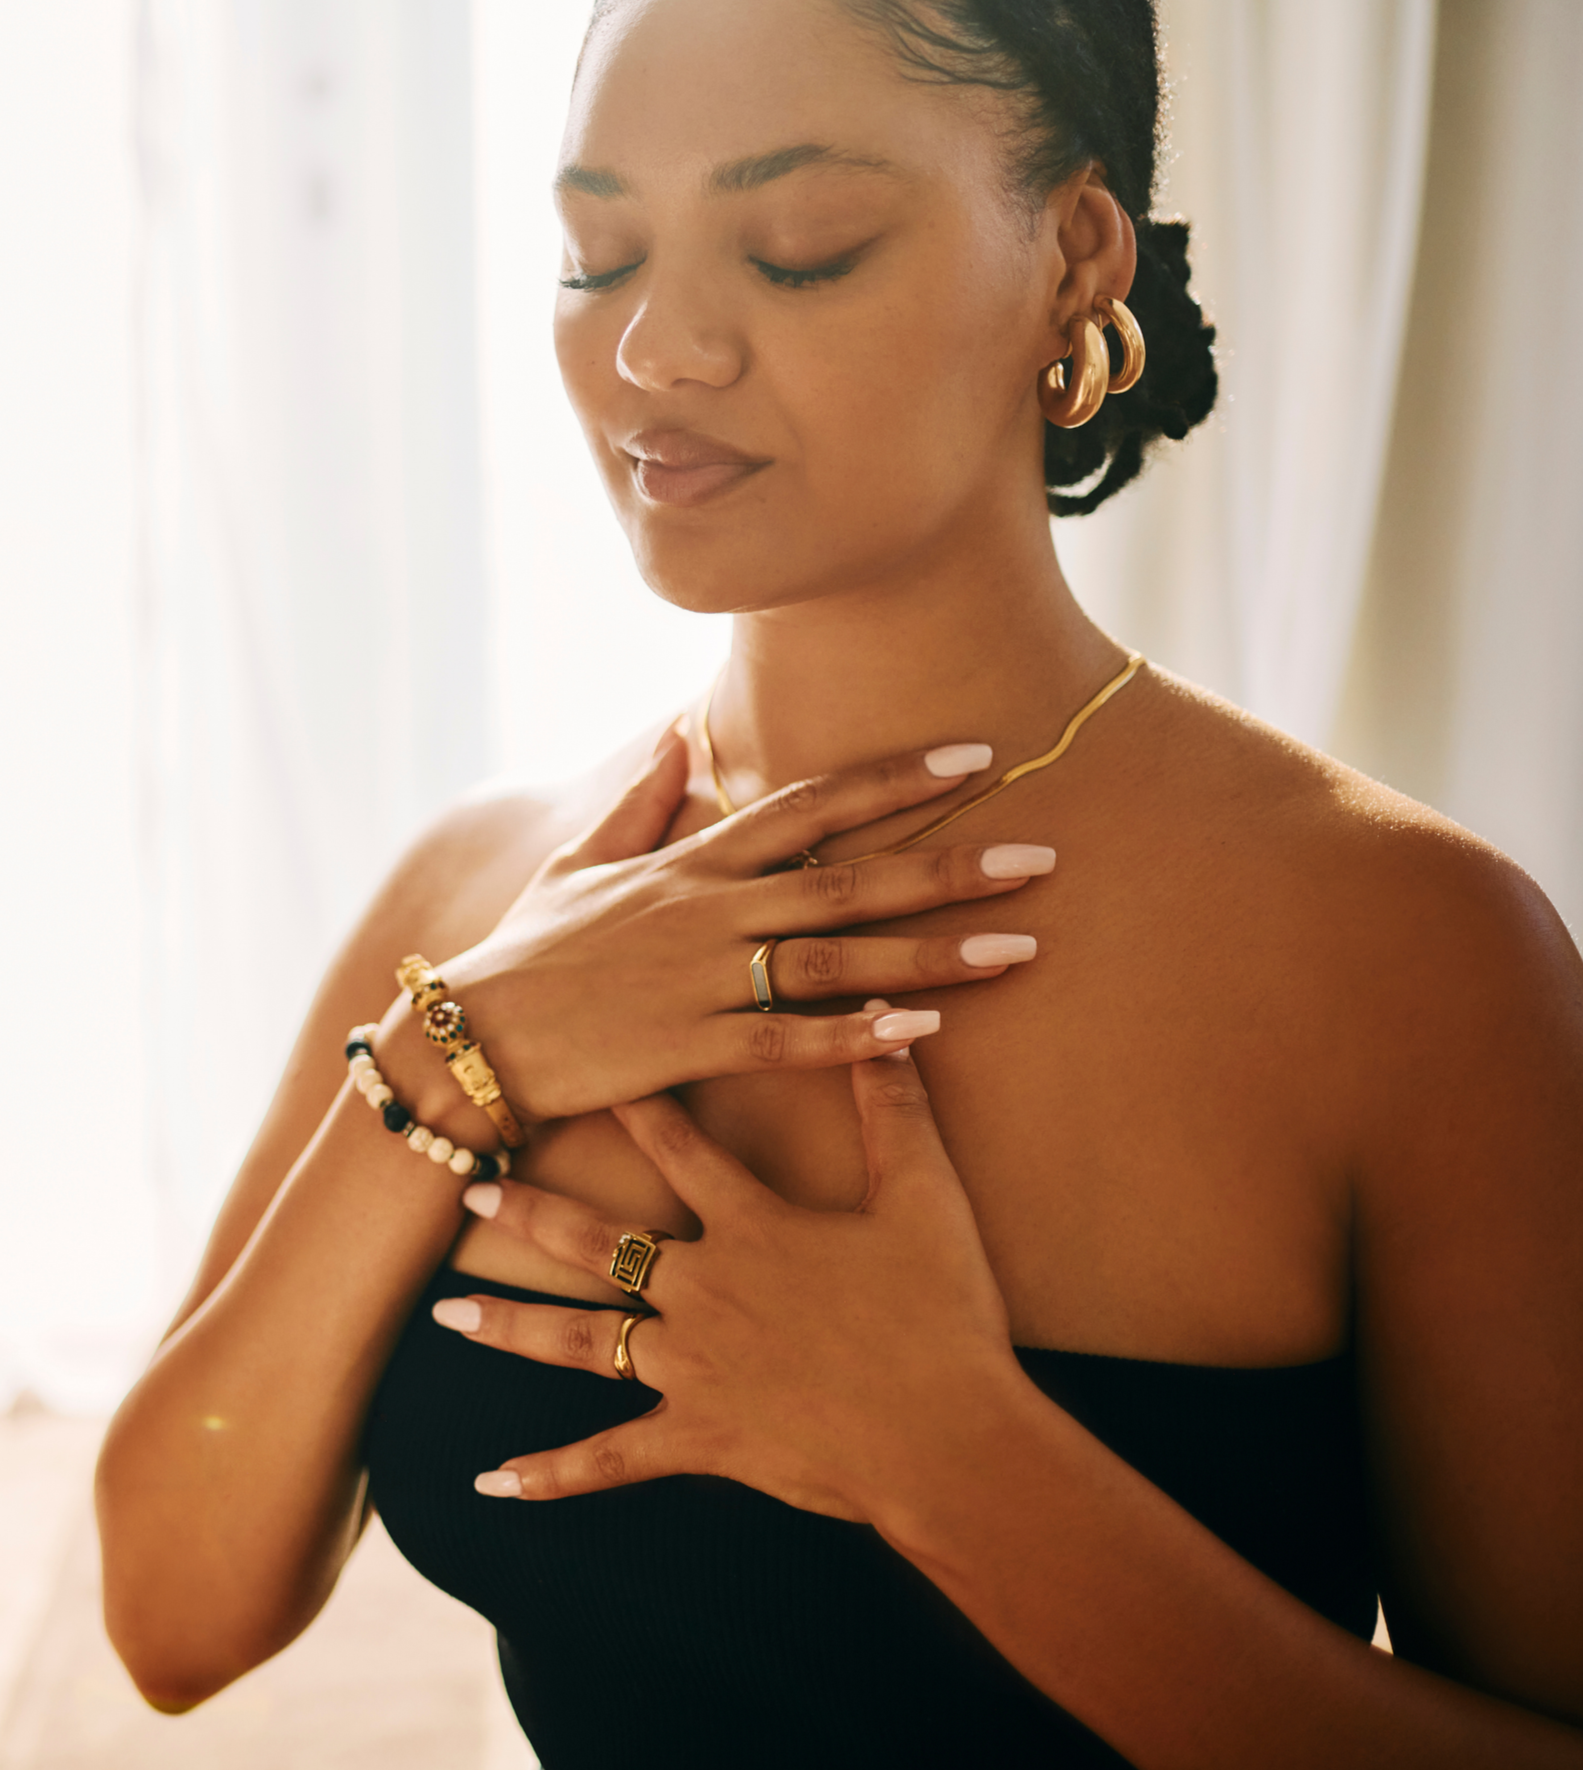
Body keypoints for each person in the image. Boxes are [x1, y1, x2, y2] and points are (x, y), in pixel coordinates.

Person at [95, 1, 1583, 1762]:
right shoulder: (479, 898)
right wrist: (452, 1057)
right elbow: (174, 1613)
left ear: (1072, 251)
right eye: (596, 255)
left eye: (799, 250)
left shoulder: (1397, 948)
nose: (656, 346)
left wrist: (948, 1455)